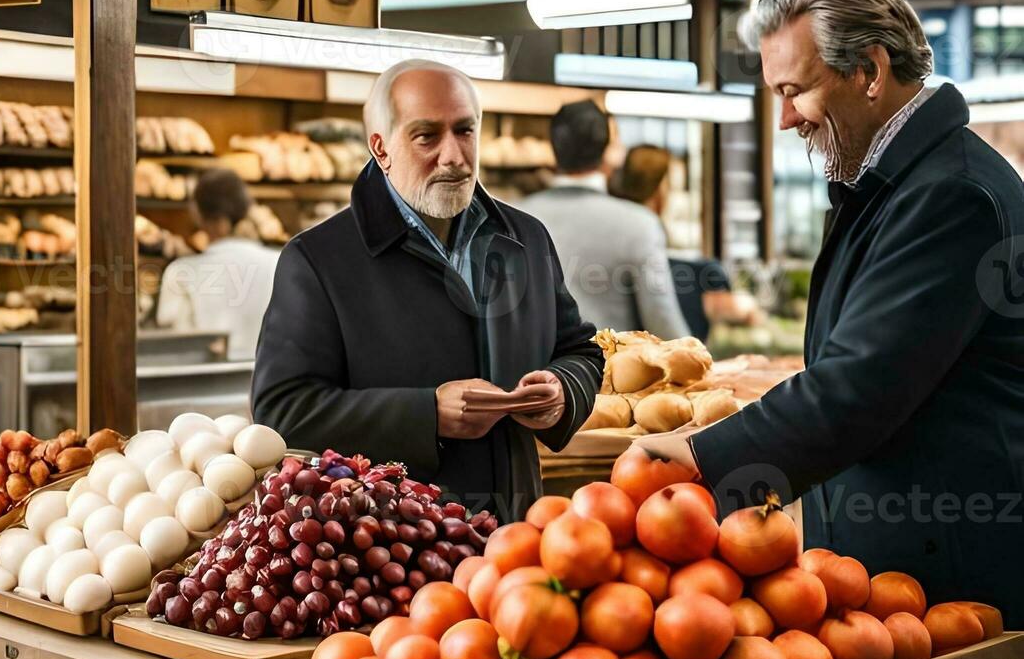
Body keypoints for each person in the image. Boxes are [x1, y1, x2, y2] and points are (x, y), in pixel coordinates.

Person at [633, 0, 1024, 630]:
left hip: (957, 568)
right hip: (907, 561)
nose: (784, 119)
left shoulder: (950, 195)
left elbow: (859, 387)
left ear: (870, 72)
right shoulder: (900, 183)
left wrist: (705, 458)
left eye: (795, 91)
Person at [251, 59, 604, 516]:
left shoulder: (525, 239)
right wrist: (427, 414)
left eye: (465, 130)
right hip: (393, 552)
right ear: (381, 148)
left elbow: (580, 349)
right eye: (427, 136)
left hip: (513, 542)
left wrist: (563, 390)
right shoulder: (318, 260)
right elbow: (283, 411)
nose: (454, 155)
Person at [521, 101, 691, 339]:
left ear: (554, 147)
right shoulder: (640, 225)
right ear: (608, 150)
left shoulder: (517, 219)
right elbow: (664, 326)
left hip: (533, 375)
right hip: (609, 374)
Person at [611, 145, 762, 341]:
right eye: (677, 188)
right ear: (660, 189)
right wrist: (690, 352)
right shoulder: (645, 226)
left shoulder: (615, 221)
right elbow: (659, 312)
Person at [155, 168, 279, 361]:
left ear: (197, 213)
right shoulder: (280, 262)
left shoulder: (181, 273)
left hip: (208, 386)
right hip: (271, 384)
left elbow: (176, 348)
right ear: (246, 208)